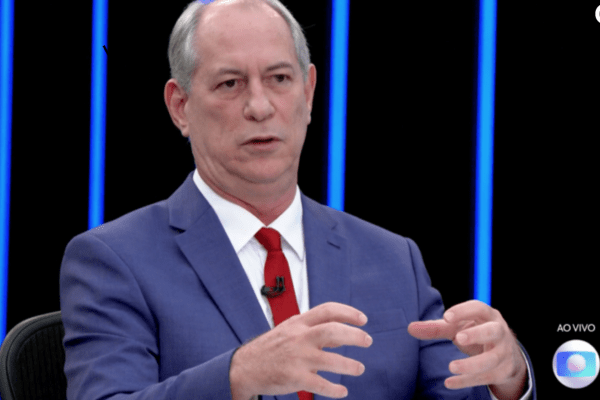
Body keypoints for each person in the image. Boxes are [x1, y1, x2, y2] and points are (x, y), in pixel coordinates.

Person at [59, 0, 536, 399]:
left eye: (279, 79)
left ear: (308, 93)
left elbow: (456, 391)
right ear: (180, 107)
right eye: (230, 83)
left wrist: (508, 378)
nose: (260, 106)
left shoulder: (395, 259)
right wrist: (239, 374)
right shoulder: (113, 260)